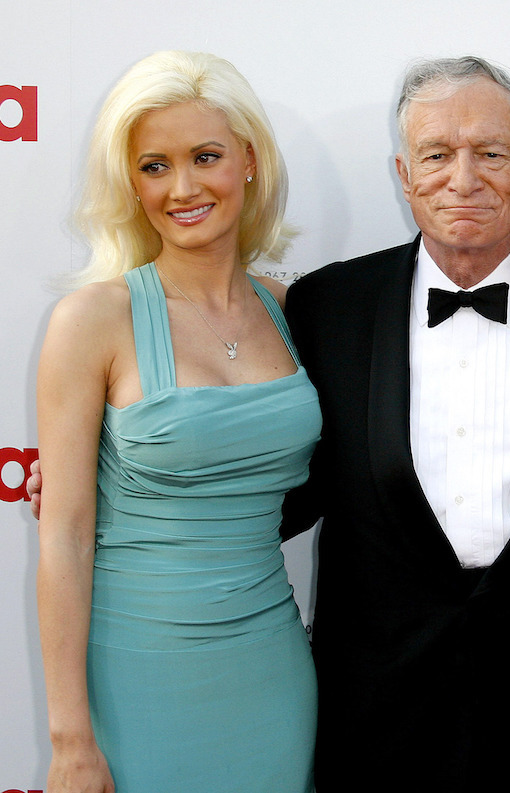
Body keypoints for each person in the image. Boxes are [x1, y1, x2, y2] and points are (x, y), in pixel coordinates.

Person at [278, 57, 510, 790]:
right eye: (436, 154)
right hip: (376, 705)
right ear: (402, 171)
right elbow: (287, 482)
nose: (463, 177)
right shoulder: (329, 307)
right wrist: (128, 489)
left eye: (490, 153)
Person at [35, 51, 318, 792]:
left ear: (249, 161)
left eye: (205, 157)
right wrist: (70, 739)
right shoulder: (93, 319)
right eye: (155, 165)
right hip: (136, 674)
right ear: (130, 182)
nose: (183, 187)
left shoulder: (292, 312)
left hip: (272, 667)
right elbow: (62, 535)